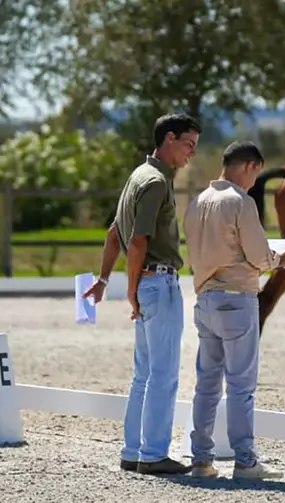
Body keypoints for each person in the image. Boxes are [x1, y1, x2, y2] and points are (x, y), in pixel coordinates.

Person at [83, 112, 202, 475]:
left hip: (145, 283)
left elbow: (112, 233)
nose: (191, 154)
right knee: (164, 375)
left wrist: (105, 280)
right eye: (188, 145)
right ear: (169, 138)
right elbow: (136, 241)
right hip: (157, 282)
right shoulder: (155, 182)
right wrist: (131, 291)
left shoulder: (138, 175)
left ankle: (133, 451)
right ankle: (152, 454)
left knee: (144, 375)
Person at [182, 140, 285, 480]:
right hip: (237, 299)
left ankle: (201, 459)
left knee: (207, 384)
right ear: (249, 166)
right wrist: (282, 260)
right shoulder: (240, 202)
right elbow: (260, 256)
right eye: (255, 175)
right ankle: (245, 461)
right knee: (241, 386)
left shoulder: (196, 201)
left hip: (206, 300)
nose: (253, 182)